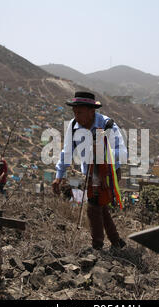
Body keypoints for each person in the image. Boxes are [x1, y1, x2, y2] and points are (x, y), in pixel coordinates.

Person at [52, 91, 128, 250]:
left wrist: (101, 152)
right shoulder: (73, 125)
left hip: (108, 171)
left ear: (92, 111)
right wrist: (59, 175)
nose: (76, 115)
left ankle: (97, 247)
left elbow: (122, 153)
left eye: (79, 112)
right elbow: (67, 151)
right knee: (101, 206)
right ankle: (116, 241)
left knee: (93, 207)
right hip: (90, 172)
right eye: (74, 112)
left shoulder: (107, 125)